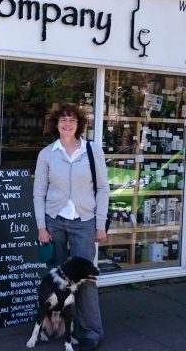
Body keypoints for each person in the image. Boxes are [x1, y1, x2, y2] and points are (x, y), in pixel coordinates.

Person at [33, 103, 109, 351]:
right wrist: (41, 227)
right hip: (54, 221)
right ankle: (58, 326)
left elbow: (103, 189)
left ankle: (91, 332)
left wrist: (100, 224)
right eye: (63, 120)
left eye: (72, 120)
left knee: (86, 279)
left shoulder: (91, 150)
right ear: (56, 124)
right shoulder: (47, 153)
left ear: (79, 124)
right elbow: (39, 192)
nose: (67, 124)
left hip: (84, 221)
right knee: (57, 278)